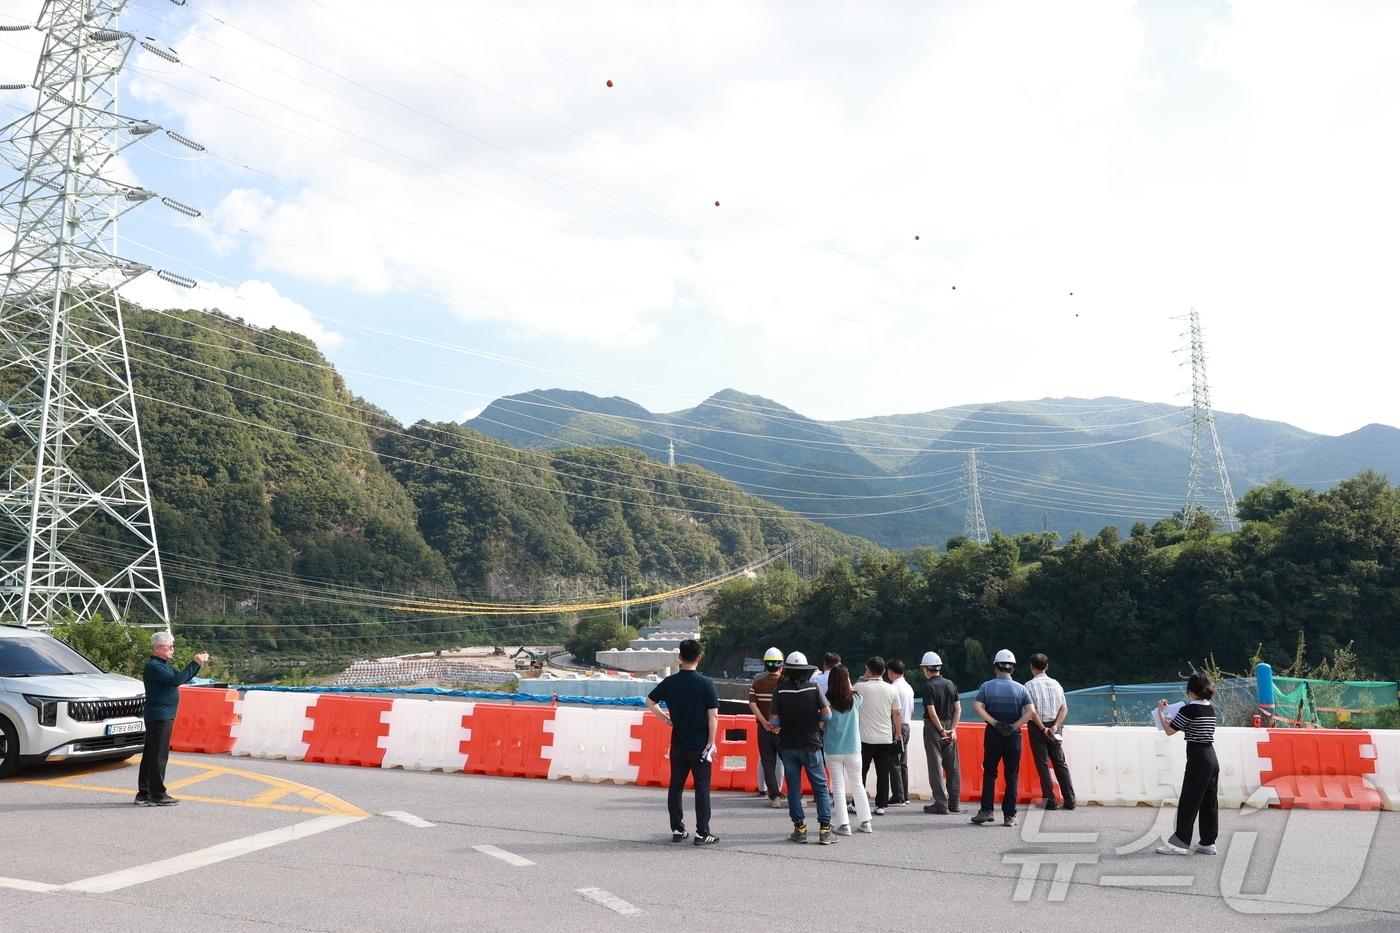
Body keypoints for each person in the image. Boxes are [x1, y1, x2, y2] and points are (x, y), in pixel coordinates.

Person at [645, 638, 720, 847]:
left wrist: (667, 720)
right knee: (701, 788)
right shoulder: (706, 684)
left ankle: (678, 829)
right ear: (699, 658)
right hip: (700, 745)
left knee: (676, 787)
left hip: (678, 743)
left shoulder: (670, 682)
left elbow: (649, 702)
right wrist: (711, 743)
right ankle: (702, 833)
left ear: (679, 657)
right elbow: (713, 716)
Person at [770, 651, 837, 845]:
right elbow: (828, 716)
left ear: (788, 671)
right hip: (811, 743)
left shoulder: (780, 691)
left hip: (788, 745)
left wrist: (787, 721)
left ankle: (799, 829)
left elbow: (773, 721)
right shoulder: (814, 688)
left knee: (793, 788)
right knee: (821, 788)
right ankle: (825, 830)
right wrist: (812, 718)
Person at [138, 631, 208, 806]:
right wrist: (196, 662)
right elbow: (176, 680)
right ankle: (157, 794)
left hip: (161, 714)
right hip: (160, 716)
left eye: (172, 646)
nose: (172, 650)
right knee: (158, 755)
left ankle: (144, 792)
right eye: (169, 647)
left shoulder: (164, 665)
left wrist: (195, 666)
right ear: (157, 648)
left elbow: (182, 676)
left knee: (151, 754)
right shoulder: (155, 666)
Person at [1155, 673, 1219, 856]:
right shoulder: (1209, 708)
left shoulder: (1189, 709)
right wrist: (1172, 721)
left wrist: (1161, 711)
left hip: (1198, 758)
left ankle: (1180, 842)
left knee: (1189, 800)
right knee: (1209, 802)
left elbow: (1168, 732)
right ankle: (1208, 842)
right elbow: (1192, 726)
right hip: (1211, 757)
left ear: (1190, 690)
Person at [971, 649, 1033, 827]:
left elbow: (977, 706)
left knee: (990, 773)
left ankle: (986, 811)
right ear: (1012, 669)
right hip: (1013, 736)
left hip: (993, 734)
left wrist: (994, 722)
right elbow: (1031, 712)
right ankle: (1010, 816)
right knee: (1011, 775)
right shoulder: (1021, 689)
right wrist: (1014, 725)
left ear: (996, 667)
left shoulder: (986, 686)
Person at [823, 664, 873, 835]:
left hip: (833, 749)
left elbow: (821, 723)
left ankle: (844, 825)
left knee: (838, 786)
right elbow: (851, 692)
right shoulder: (856, 698)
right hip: (853, 748)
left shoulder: (827, 700)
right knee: (857, 784)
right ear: (847, 680)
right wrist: (848, 683)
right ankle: (865, 822)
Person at [1025, 652, 1076, 811]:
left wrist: (1043, 728)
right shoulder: (1056, 684)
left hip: (1037, 727)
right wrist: (1054, 726)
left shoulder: (1028, 686)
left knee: (1042, 764)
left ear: (1031, 667)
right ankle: (1070, 800)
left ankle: (1050, 801)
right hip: (1055, 726)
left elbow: (1031, 712)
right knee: (1060, 763)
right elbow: (1064, 708)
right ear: (1046, 666)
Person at [855, 656, 902, 815]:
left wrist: (863, 678)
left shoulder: (860, 687)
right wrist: (898, 732)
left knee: (861, 771)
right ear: (883, 671)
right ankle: (881, 805)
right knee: (883, 772)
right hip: (885, 737)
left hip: (864, 738)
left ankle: (858, 804)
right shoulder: (892, 689)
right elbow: (896, 714)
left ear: (868, 669)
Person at [919, 650, 961, 814]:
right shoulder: (951, 684)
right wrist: (952, 729)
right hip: (950, 726)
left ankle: (941, 803)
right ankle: (954, 803)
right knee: (953, 766)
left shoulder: (928, 687)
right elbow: (957, 708)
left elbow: (932, 712)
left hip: (934, 728)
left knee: (935, 765)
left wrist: (941, 730)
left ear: (926, 668)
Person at [749, 646, 786, 807]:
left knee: (767, 762)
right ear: (781, 664)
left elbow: (752, 704)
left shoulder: (757, 682)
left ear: (765, 664)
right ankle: (790, 794)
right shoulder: (786, 683)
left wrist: (764, 722)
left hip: (762, 729)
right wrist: (779, 724)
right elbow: (789, 706)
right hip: (782, 730)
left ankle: (774, 797)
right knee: (786, 761)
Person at [885, 659, 915, 806]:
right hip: (907, 725)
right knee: (903, 762)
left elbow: (894, 711)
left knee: (894, 762)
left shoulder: (894, 687)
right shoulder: (908, 687)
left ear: (891, 672)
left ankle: (898, 796)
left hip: (897, 726)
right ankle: (905, 795)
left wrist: (895, 730)